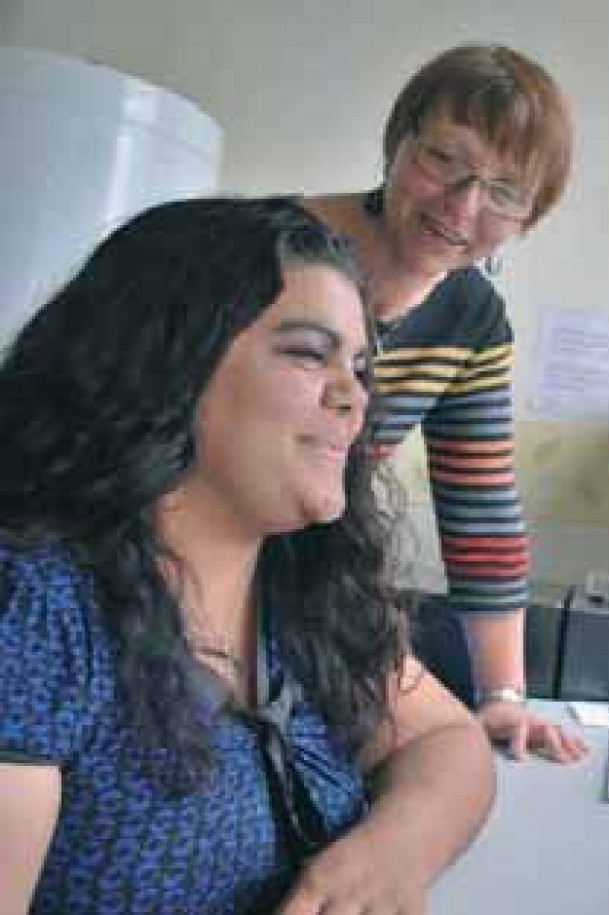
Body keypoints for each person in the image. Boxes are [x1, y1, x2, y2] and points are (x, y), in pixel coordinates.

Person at [0, 197, 495, 914]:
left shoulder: (303, 590)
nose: (354, 398)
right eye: (307, 352)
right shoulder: (35, 610)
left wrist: (393, 849)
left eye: (359, 367)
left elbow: (449, 739)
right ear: (167, 361)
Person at [301, 43, 587, 763]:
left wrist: (503, 697)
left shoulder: (473, 321)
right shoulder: (277, 250)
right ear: (399, 144)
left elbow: (482, 506)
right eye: (443, 161)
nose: (462, 206)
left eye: (504, 192)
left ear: (530, 216)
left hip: (308, 585)